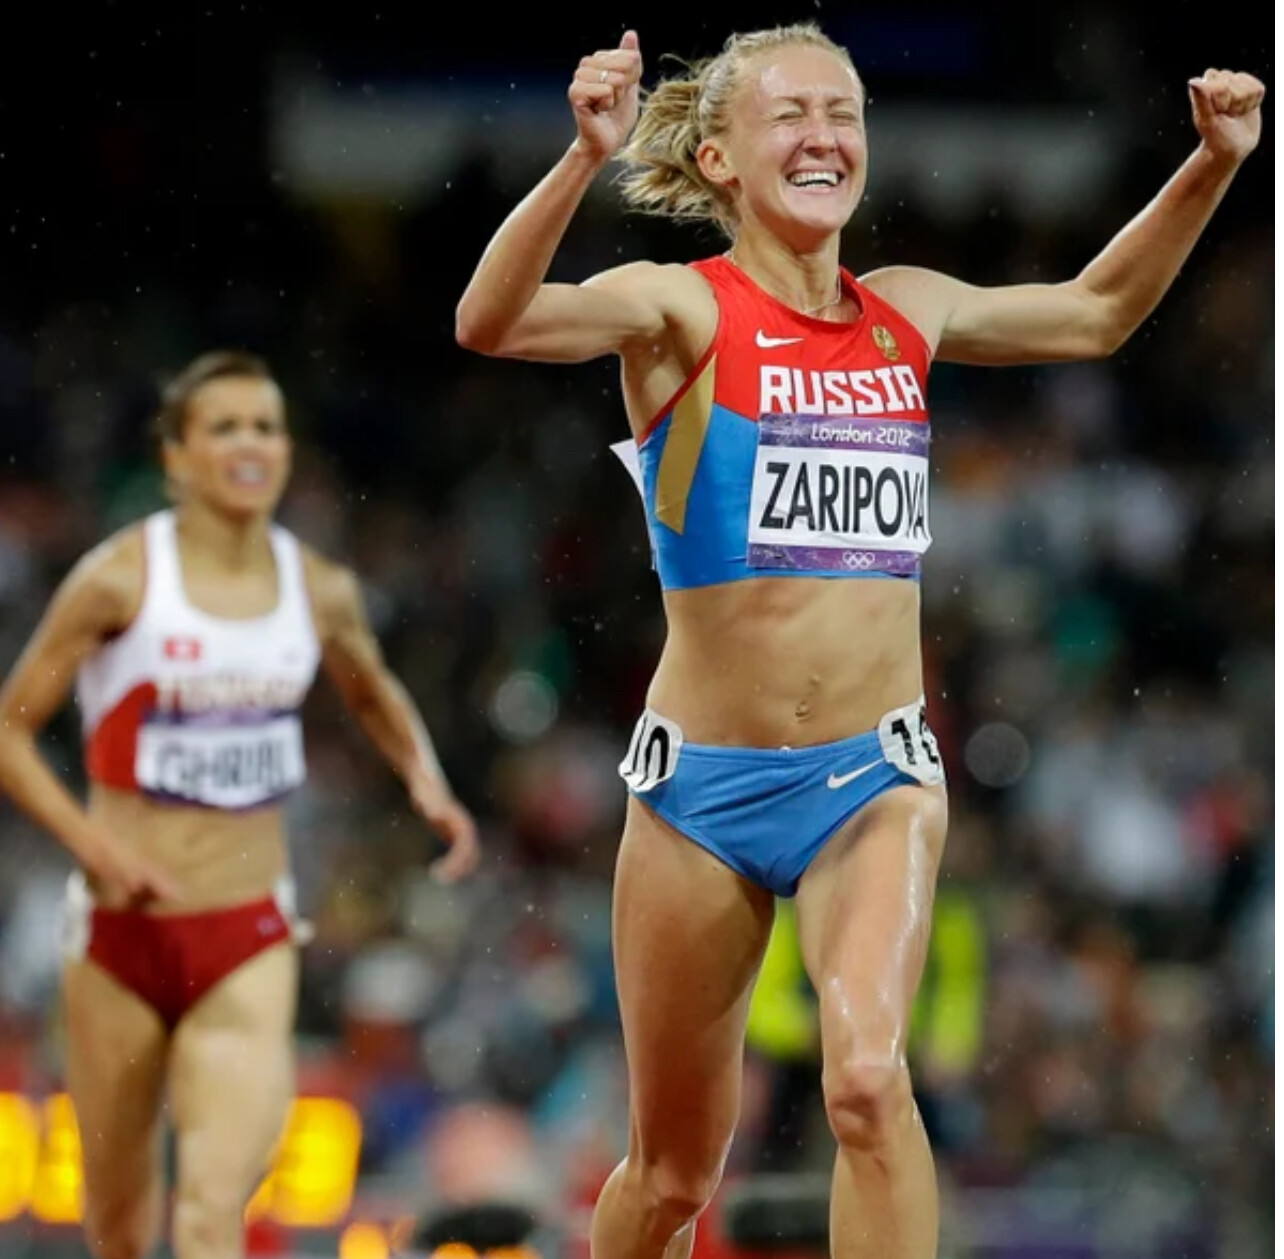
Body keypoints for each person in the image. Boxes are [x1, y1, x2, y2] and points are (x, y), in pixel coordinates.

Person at [455, 23, 1264, 1259]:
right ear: (719, 158)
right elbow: (491, 318)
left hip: (868, 775)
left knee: (870, 1082)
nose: (824, 134)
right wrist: (581, 158)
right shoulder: (681, 309)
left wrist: (1212, 162)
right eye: (790, 114)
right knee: (671, 1172)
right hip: (697, 791)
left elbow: (1099, 311)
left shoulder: (910, 310)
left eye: (844, 112)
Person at [0, 349, 480, 1259]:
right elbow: (9, 732)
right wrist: (95, 847)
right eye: (224, 427)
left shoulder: (317, 587)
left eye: (266, 427)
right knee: (118, 1222)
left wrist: (426, 779)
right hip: (118, 937)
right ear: (176, 456)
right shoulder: (118, 579)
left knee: (213, 1205)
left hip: (245, 934)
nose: (250, 444)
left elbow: (372, 688)